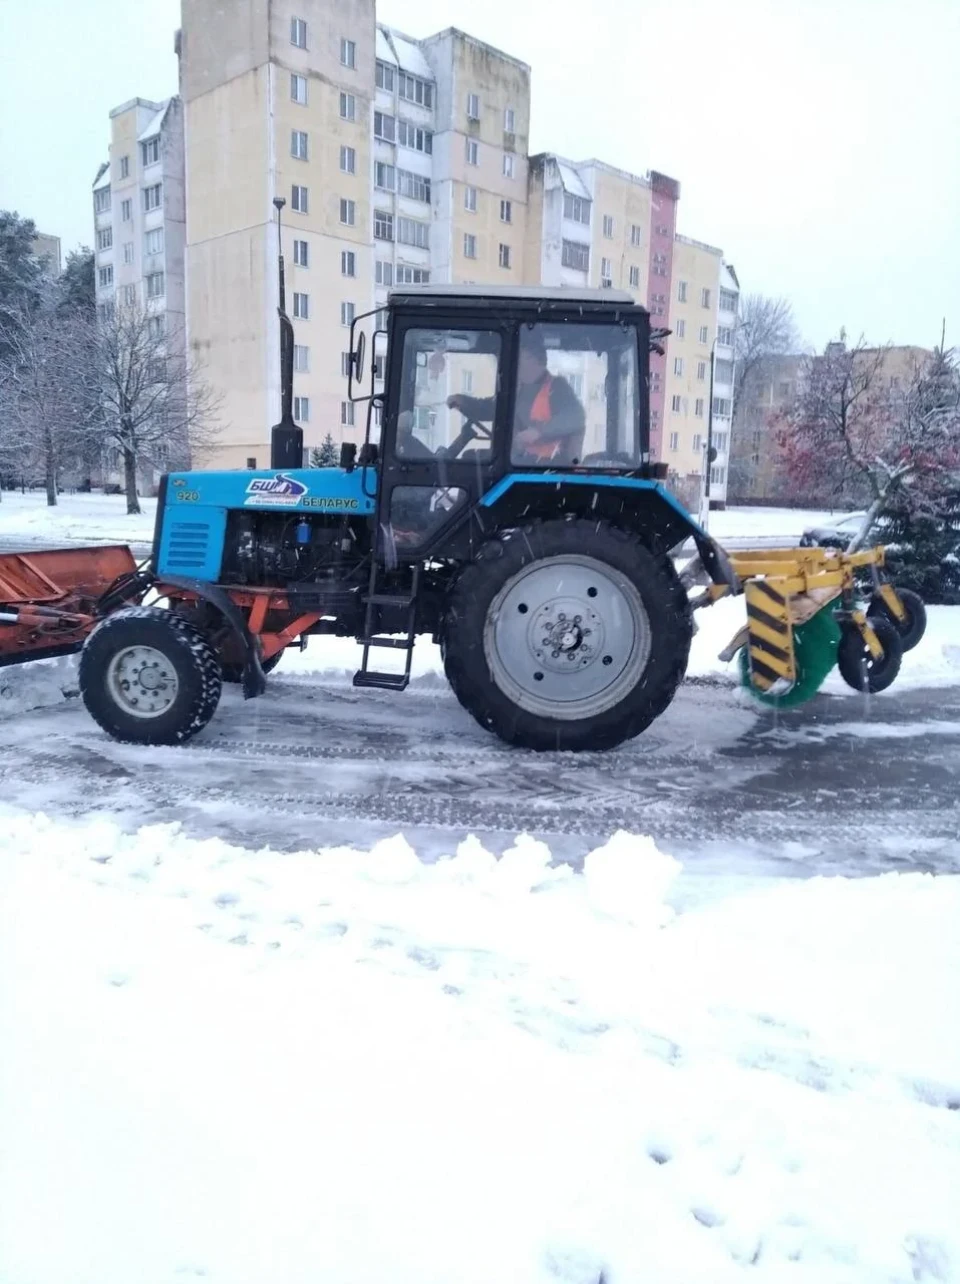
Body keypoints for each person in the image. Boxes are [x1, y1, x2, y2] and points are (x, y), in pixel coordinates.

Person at [446, 329, 586, 464]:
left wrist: (539, 431)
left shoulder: (557, 387)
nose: (516, 366)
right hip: (521, 460)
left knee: (474, 463)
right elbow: (495, 408)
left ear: (532, 358)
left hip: (546, 467)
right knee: (471, 459)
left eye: (519, 359)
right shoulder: (520, 389)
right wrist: (465, 403)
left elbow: (576, 416)